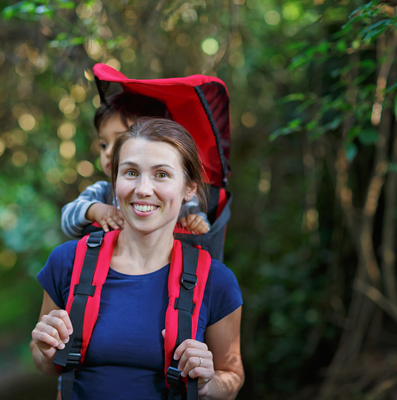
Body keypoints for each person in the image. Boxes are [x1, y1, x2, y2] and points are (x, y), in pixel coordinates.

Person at [31, 118, 244, 399]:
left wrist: (206, 383)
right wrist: (45, 350)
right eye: (131, 172)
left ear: (189, 188)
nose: (143, 189)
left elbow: (232, 377)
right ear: (115, 179)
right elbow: (45, 361)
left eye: (162, 174)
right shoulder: (69, 262)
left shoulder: (215, 281)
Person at [61, 92, 210, 239]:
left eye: (121, 141)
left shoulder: (178, 194)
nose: (108, 152)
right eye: (104, 144)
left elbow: (202, 225)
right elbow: (67, 218)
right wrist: (95, 210)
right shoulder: (102, 192)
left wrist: (195, 221)